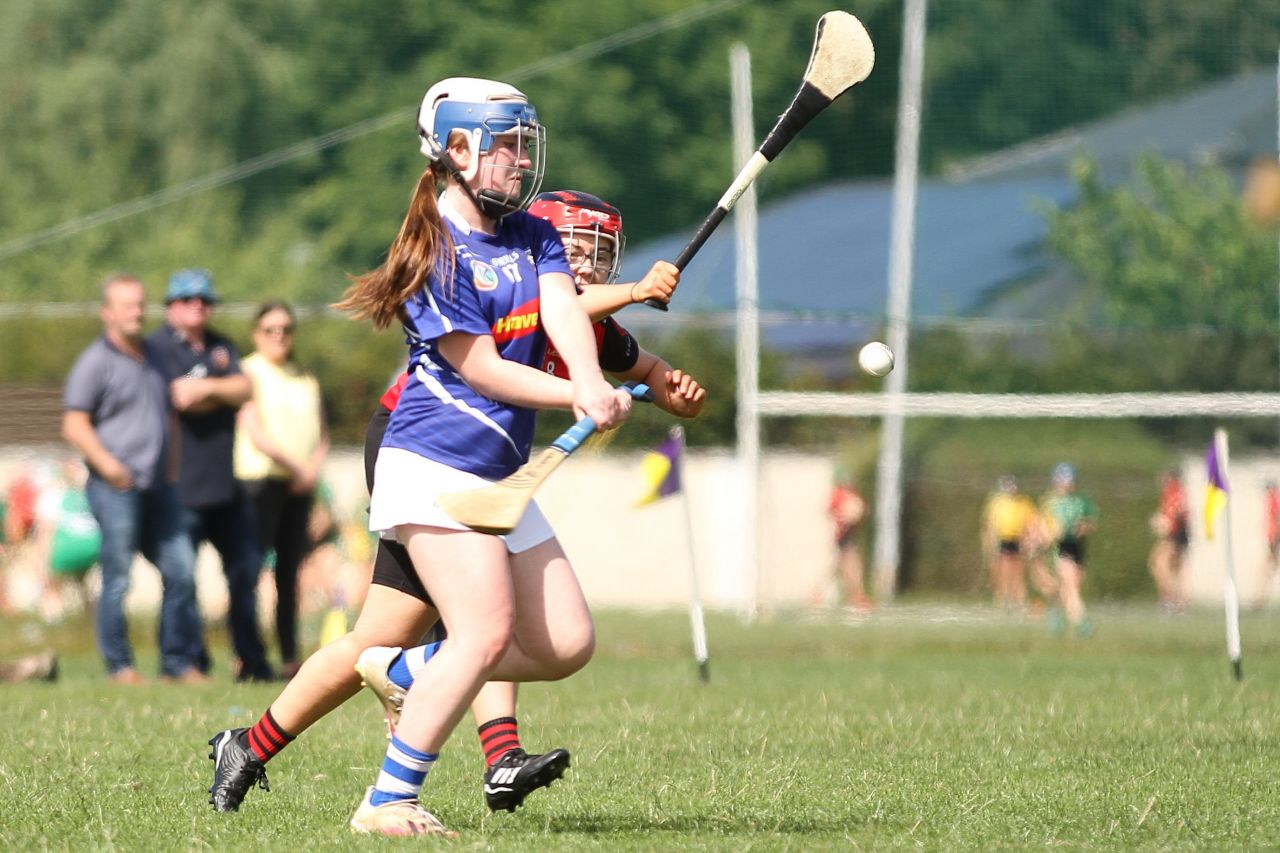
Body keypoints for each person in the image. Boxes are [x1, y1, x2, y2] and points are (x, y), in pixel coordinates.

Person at [205, 78, 688, 836]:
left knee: (564, 641)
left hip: (493, 477)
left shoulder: (532, 233)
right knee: (484, 629)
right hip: (429, 466)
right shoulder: (436, 249)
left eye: (525, 145)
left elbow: (564, 309)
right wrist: (577, 399)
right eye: (505, 147)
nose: (519, 161)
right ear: (455, 150)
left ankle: (386, 678)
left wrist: (595, 381)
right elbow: (483, 367)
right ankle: (387, 801)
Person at [62, 273, 206, 684]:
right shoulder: (96, 362)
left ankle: (176, 663)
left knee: (181, 569)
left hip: (159, 486)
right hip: (115, 488)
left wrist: (172, 470)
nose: (137, 312)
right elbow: (74, 424)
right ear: (108, 312)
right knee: (118, 576)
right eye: (128, 305)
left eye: (141, 304)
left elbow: (169, 416)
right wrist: (108, 467)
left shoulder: (156, 358)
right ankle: (119, 665)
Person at [148, 269, 273, 682]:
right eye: (188, 300)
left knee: (244, 574)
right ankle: (181, 662)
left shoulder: (221, 346)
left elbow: (245, 388)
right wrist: (218, 392)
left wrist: (206, 390)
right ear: (171, 307)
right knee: (181, 580)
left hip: (224, 485)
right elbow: (178, 399)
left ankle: (251, 660)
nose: (198, 305)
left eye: (204, 299)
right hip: (177, 485)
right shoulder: (157, 349)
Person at [234, 301, 330, 679]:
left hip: (299, 486)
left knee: (290, 573)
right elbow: (256, 431)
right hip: (261, 481)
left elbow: (321, 432)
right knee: (250, 569)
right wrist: (296, 467)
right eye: (270, 330)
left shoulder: (304, 376)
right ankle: (247, 654)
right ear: (257, 334)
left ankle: (289, 655)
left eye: (286, 329)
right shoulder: (247, 372)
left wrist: (311, 471)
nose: (279, 336)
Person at [1039, 463, 1098, 637]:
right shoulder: (1049, 501)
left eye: (1070, 480)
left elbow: (1091, 522)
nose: (1067, 484)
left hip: (1078, 546)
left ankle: (1056, 612)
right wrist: (1049, 535)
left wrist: (1083, 527)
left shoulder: (1083, 499)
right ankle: (1081, 623)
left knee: (1073, 585)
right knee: (1071, 583)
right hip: (1060, 547)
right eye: (1063, 480)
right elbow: (1043, 526)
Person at [810, 469, 870, 611]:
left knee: (842, 565)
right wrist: (843, 516)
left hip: (849, 533)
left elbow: (861, 511)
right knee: (852, 565)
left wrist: (857, 514)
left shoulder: (852, 494)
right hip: (843, 534)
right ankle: (857, 595)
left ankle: (818, 591)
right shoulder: (839, 494)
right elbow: (830, 511)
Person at [981, 475, 1036, 611]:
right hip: (1003, 539)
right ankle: (1002, 599)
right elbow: (989, 523)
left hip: (1020, 539)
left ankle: (1019, 599)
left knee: (1018, 570)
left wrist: (1030, 540)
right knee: (1004, 569)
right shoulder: (997, 503)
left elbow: (1032, 521)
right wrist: (989, 542)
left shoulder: (1024, 502)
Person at [1147, 469, 1189, 613]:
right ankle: (1175, 600)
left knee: (1159, 563)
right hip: (1177, 534)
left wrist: (1165, 523)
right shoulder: (1173, 491)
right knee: (1172, 567)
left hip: (1175, 534)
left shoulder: (1174, 491)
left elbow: (1178, 511)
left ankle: (1171, 599)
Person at [1255, 480, 1280, 608]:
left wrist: (1276, 537)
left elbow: (1276, 517)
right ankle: (1261, 597)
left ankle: (1261, 597)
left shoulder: (1273, 497)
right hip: (1273, 536)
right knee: (1270, 565)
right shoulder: (1273, 497)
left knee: (1269, 565)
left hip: (1273, 536)